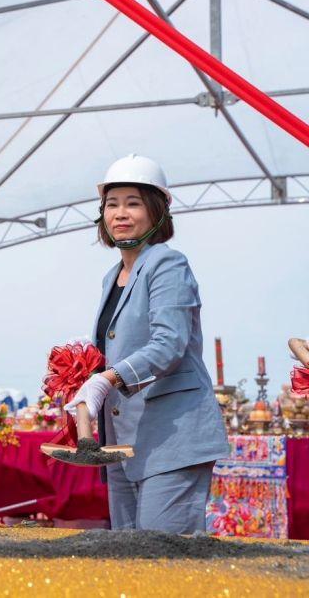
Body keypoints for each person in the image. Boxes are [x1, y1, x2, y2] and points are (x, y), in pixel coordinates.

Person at [67, 154, 229, 533]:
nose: (120, 213)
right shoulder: (113, 277)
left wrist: (107, 379)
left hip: (172, 440)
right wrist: (79, 380)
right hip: (123, 444)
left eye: (133, 203)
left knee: (164, 557)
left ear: (156, 211)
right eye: (112, 204)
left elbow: (170, 342)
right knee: (130, 557)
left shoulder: (167, 263)